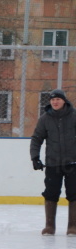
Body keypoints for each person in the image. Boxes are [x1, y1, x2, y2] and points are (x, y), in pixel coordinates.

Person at [30, 89, 76, 235]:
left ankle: (72, 227)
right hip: (53, 163)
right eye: (52, 100)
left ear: (64, 101)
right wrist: (35, 157)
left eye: (58, 99)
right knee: (51, 193)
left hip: (73, 163)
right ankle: (50, 226)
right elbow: (37, 138)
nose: (55, 102)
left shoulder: (74, 116)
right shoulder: (45, 118)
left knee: (74, 193)